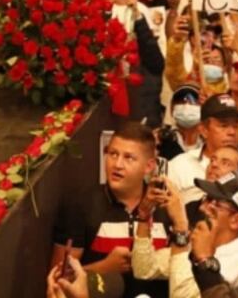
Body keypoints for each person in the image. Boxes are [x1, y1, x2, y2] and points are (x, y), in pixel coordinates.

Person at [53, 122, 170, 298]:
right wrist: (104, 267)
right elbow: (58, 282)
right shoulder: (80, 204)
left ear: (149, 166)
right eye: (113, 154)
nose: (117, 164)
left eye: (129, 158)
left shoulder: (165, 206)